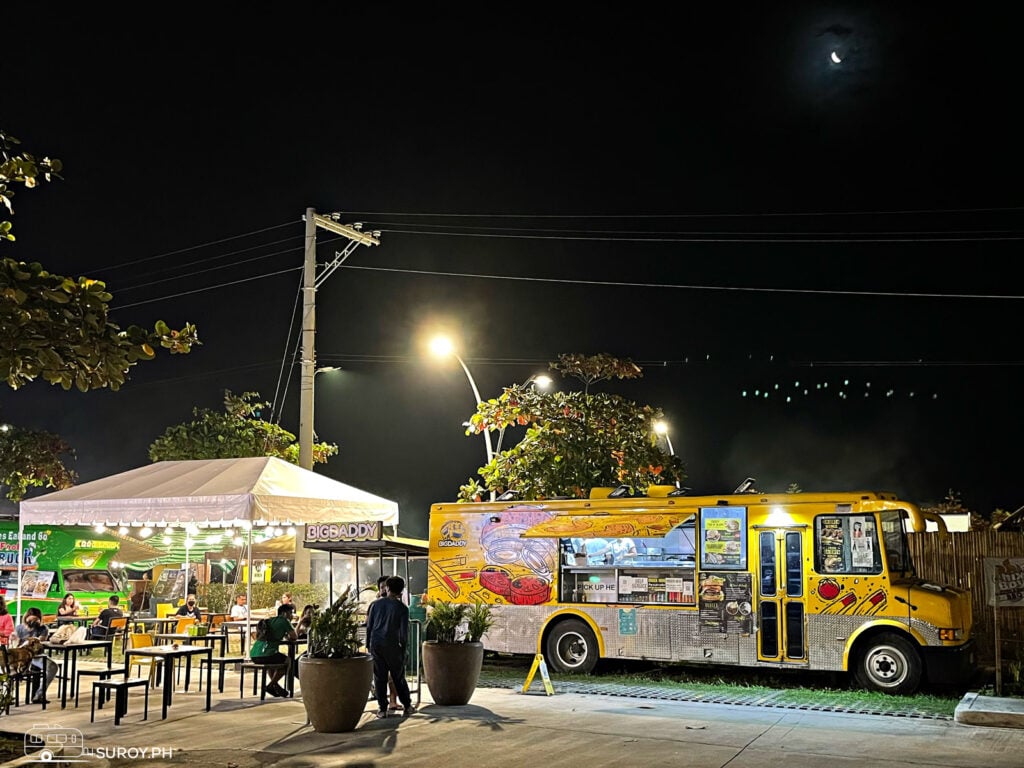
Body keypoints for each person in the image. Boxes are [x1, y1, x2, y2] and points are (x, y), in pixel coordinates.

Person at [365, 575, 414, 719]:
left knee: (379, 678)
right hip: (393, 646)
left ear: (387, 588)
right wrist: (404, 649)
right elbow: (404, 633)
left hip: (376, 645)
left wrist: (368, 644)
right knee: (398, 677)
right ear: (402, 590)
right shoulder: (402, 609)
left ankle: (382, 709)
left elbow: (369, 627)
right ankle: (407, 705)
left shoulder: (375, 605)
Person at [249, 603, 296, 697]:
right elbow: (294, 636)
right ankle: (271, 685)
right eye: (291, 613)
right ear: (285, 613)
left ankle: (275, 686)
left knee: (274, 662)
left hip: (254, 654)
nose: (292, 616)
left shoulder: (269, 620)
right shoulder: (285, 621)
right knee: (288, 661)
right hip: (267, 654)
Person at [14, 607, 59, 703]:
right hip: (21, 657)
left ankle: (39, 694)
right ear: (26, 618)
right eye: (31, 620)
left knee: (53, 667)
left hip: (36, 656)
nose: (33, 622)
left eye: (35, 620)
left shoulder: (43, 628)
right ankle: (9, 695)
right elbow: (15, 644)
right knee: (10, 669)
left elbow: (40, 641)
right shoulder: (19, 628)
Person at [375, 576, 401, 712]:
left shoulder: (397, 606)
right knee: (381, 677)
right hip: (379, 647)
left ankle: (392, 701)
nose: (384, 590)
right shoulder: (375, 605)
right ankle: (382, 706)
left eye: (386, 587)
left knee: (392, 676)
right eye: (381, 587)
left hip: (392, 646)